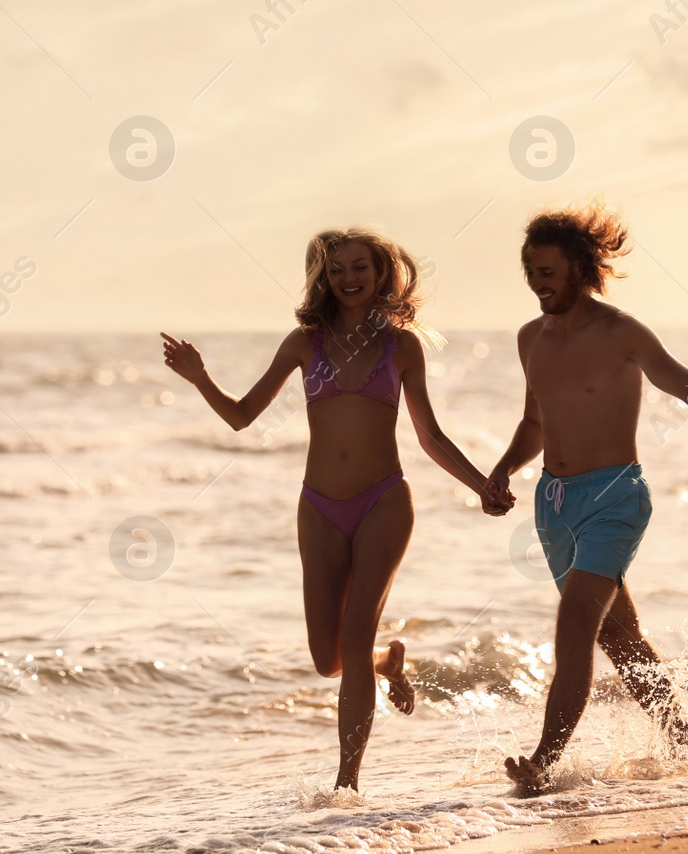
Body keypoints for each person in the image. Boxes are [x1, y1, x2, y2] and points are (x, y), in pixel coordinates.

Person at [162, 228, 509, 790]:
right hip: (318, 507)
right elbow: (241, 416)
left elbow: (430, 436)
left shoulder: (402, 346)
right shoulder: (304, 342)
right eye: (337, 270)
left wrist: (479, 485)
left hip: (384, 503)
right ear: (322, 278)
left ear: (381, 275)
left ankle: (346, 784)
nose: (349, 279)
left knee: (350, 637)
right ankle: (386, 661)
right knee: (329, 659)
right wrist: (200, 377)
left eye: (360, 268)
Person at [486, 201, 688, 795]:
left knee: (577, 621)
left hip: (614, 498)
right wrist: (500, 472)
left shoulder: (620, 332)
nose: (537, 284)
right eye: (530, 273)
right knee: (622, 639)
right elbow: (534, 423)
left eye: (547, 272)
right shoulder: (531, 338)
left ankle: (542, 762)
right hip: (553, 504)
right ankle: (685, 745)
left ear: (578, 268)